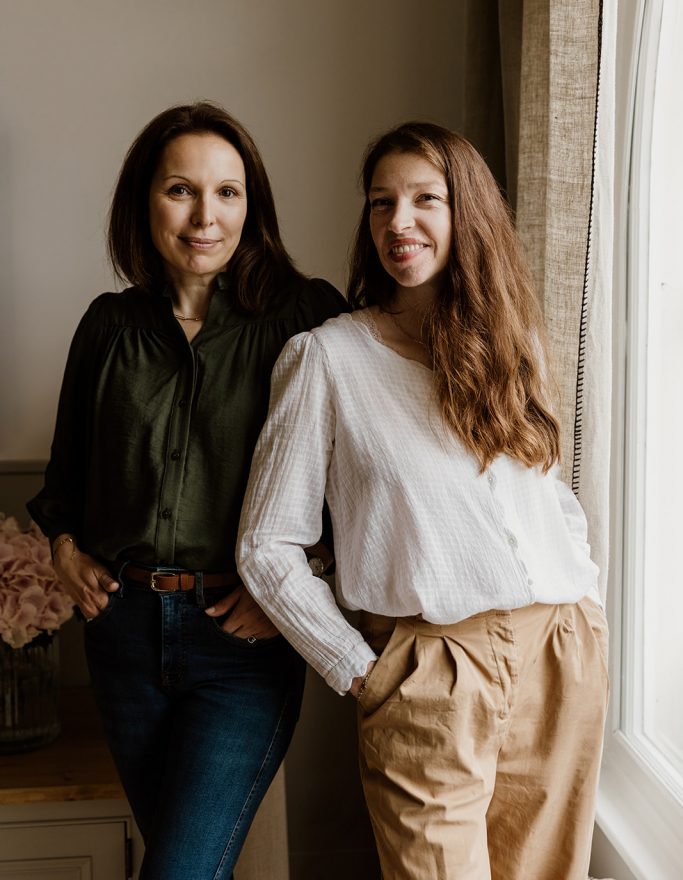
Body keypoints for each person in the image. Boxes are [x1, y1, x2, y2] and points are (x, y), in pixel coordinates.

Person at [237, 121, 609, 880]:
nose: (396, 223)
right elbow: (265, 544)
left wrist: (586, 598)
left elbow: (550, 498)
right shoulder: (328, 359)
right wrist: (357, 667)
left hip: (558, 654)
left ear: (465, 212)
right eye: (380, 203)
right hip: (430, 667)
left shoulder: (515, 343)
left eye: (422, 199)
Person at [28, 101, 346, 880]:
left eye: (228, 193)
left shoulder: (306, 318)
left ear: (253, 204)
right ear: (145, 200)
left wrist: (300, 583)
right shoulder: (106, 327)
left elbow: (364, 486)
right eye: (181, 190)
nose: (206, 215)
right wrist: (64, 551)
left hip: (241, 647)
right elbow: (62, 485)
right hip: (122, 640)